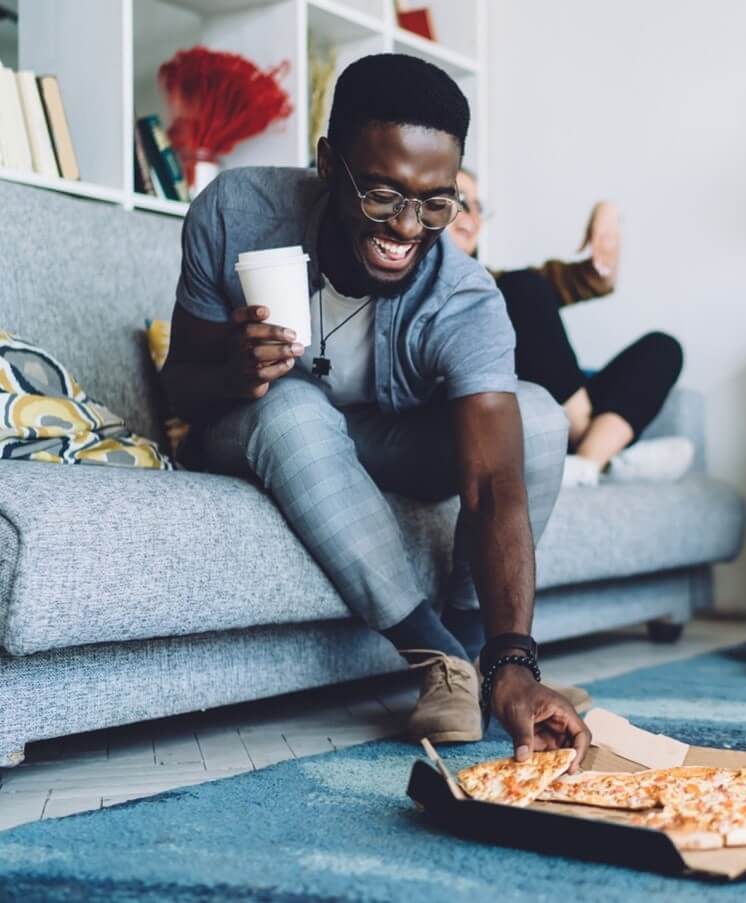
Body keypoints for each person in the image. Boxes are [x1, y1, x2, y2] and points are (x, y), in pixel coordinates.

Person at [160, 53, 589, 762]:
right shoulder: (237, 213)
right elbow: (181, 388)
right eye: (384, 195)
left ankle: (478, 657)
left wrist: (517, 659)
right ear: (330, 163)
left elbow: (492, 486)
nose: (408, 227)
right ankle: (438, 656)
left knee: (537, 415)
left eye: (435, 201)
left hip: (384, 442)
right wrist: (235, 372)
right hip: (267, 424)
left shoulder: (464, 297)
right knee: (293, 408)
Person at [449, 169, 691, 487]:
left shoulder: (494, 279)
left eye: (480, 206)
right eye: (460, 200)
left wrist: (607, 213)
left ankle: (586, 464)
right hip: (520, 416)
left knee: (663, 348)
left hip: (561, 404)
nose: (472, 215)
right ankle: (603, 455)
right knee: (521, 287)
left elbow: (596, 278)